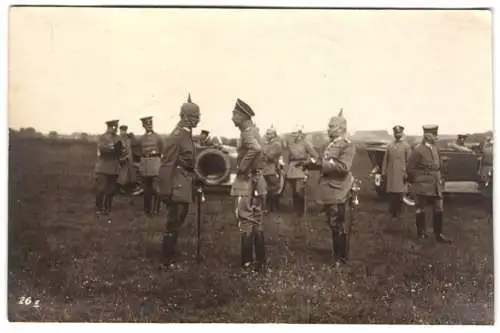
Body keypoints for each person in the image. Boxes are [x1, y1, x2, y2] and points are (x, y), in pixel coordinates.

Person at [302, 109, 356, 265]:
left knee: (339, 223)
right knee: (333, 223)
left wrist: (321, 164)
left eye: (331, 126)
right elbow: (321, 162)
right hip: (329, 190)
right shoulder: (329, 144)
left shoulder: (347, 145)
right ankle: (337, 255)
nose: (328, 128)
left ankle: (341, 258)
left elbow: (343, 167)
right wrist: (309, 165)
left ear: (340, 128)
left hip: (339, 189)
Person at [158, 94, 200, 266]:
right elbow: (167, 163)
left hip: (183, 183)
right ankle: (167, 260)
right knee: (173, 222)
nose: (197, 120)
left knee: (177, 221)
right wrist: (166, 190)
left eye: (197, 116)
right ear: (184, 117)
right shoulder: (178, 136)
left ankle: (170, 255)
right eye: (194, 117)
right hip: (176, 184)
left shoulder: (186, 134)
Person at [230, 98, 267, 271]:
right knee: (257, 220)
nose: (232, 117)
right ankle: (260, 262)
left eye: (234, 114)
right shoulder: (255, 130)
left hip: (248, 181)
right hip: (258, 180)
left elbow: (256, 149)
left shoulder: (247, 132)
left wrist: (242, 168)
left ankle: (246, 263)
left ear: (241, 115)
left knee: (245, 219)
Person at [407, 125, 452, 243]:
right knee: (420, 208)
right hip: (423, 185)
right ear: (426, 135)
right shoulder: (418, 150)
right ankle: (421, 233)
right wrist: (419, 180)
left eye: (436, 133)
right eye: (433, 134)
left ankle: (438, 234)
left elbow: (438, 165)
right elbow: (410, 169)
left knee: (439, 208)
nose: (436, 136)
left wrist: (442, 170)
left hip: (436, 184)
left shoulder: (435, 148)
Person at [285, 125, 319, 216]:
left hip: (301, 169)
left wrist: (307, 163)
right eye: (292, 133)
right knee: (294, 192)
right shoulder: (291, 144)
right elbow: (289, 158)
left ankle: (302, 210)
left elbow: (315, 156)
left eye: (295, 133)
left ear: (300, 133)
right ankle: (297, 210)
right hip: (292, 169)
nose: (293, 135)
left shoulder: (305, 143)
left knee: (299, 191)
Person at [381, 125, 412, 220]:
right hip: (391, 173)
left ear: (402, 134)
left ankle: (399, 212)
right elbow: (385, 160)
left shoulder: (406, 146)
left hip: (401, 173)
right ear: (394, 134)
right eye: (396, 133)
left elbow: (409, 161)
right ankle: (392, 212)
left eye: (399, 133)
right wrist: (383, 172)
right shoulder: (390, 145)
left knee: (400, 193)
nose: (397, 135)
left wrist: (408, 173)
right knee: (391, 194)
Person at [94, 120, 121, 219]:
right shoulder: (103, 137)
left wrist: (116, 150)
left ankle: (107, 209)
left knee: (111, 190)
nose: (115, 129)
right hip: (103, 167)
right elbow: (103, 149)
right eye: (114, 127)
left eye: (116, 127)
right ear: (109, 127)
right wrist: (114, 149)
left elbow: (123, 151)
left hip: (114, 168)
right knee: (101, 189)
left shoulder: (118, 138)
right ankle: (99, 209)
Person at [139, 116, 164, 217]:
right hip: (145, 165)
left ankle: (156, 209)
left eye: (150, 124)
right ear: (143, 126)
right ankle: (147, 210)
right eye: (147, 125)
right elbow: (139, 151)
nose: (149, 126)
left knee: (156, 189)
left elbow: (163, 151)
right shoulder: (142, 138)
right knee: (147, 190)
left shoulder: (158, 137)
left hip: (155, 164)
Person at [262, 126, 283, 212]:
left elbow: (271, 156)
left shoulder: (277, 144)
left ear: (274, 134)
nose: (267, 135)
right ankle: (268, 207)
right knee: (267, 188)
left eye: (269, 133)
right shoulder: (266, 144)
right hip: (265, 169)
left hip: (273, 169)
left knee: (274, 188)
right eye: (267, 133)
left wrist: (264, 154)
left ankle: (274, 206)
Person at [116, 125, 136, 193]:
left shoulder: (128, 139)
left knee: (130, 174)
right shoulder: (118, 139)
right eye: (122, 130)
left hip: (129, 159)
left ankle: (128, 188)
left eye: (125, 130)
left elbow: (134, 145)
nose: (124, 132)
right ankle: (120, 188)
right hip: (122, 159)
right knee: (121, 174)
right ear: (120, 131)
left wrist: (133, 136)